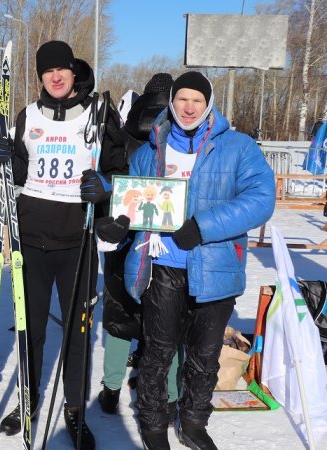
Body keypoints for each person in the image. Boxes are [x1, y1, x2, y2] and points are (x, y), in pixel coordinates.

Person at [96, 71, 275, 449]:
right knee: (157, 354)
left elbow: (260, 199)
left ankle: (193, 422)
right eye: (182, 100)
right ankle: (154, 424)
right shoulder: (150, 151)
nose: (189, 107)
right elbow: (136, 205)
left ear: (208, 104)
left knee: (204, 356)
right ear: (172, 104)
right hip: (162, 267)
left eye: (197, 100)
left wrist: (202, 226)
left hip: (216, 268)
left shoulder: (238, 148)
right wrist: (118, 226)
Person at [6, 40, 126, 449]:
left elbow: (119, 169)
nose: (55, 77)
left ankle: (75, 408)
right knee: (31, 329)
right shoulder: (28, 115)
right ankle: (29, 399)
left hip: (77, 241)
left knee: (77, 333)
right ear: (40, 76)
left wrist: (106, 186)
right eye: (47, 71)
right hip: (32, 239)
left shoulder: (99, 114)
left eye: (62, 69)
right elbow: (18, 170)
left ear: (74, 71)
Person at [97, 73, 182, 421]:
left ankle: (111, 388)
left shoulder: (126, 128)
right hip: (168, 244)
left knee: (121, 317)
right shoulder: (179, 133)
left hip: (124, 239)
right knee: (168, 322)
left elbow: (109, 178)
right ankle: (172, 394)